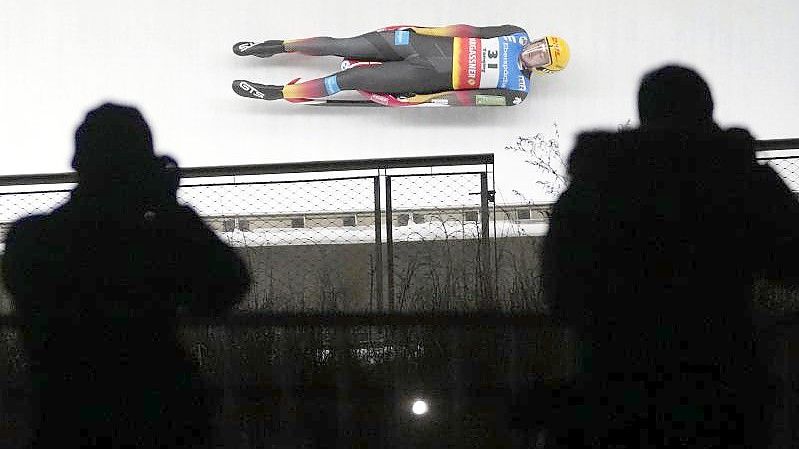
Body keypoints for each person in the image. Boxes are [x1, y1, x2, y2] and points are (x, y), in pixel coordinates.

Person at [541, 66, 799, 448]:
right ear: (707, 110)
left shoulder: (597, 186)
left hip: (613, 386)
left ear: (644, 112)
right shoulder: (737, 179)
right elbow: (790, 260)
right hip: (723, 387)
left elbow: (561, 293)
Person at [2, 103, 251, 448]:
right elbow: (227, 289)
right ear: (144, 166)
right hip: (165, 419)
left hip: (66, 419)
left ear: (78, 163)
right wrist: (169, 207)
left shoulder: (31, 239)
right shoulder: (157, 239)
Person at [232, 24, 569, 106]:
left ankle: (281, 93)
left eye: (541, 56)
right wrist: (421, 29)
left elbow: (463, 99)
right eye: (539, 45)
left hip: (426, 76)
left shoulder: (516, 92)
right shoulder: (516, 34)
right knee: (344, 45)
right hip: (424, 43)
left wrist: (418, 99)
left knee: (350, 78)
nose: (535, 51)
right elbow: (471, 31)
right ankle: (274, 46)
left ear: (543, 68)